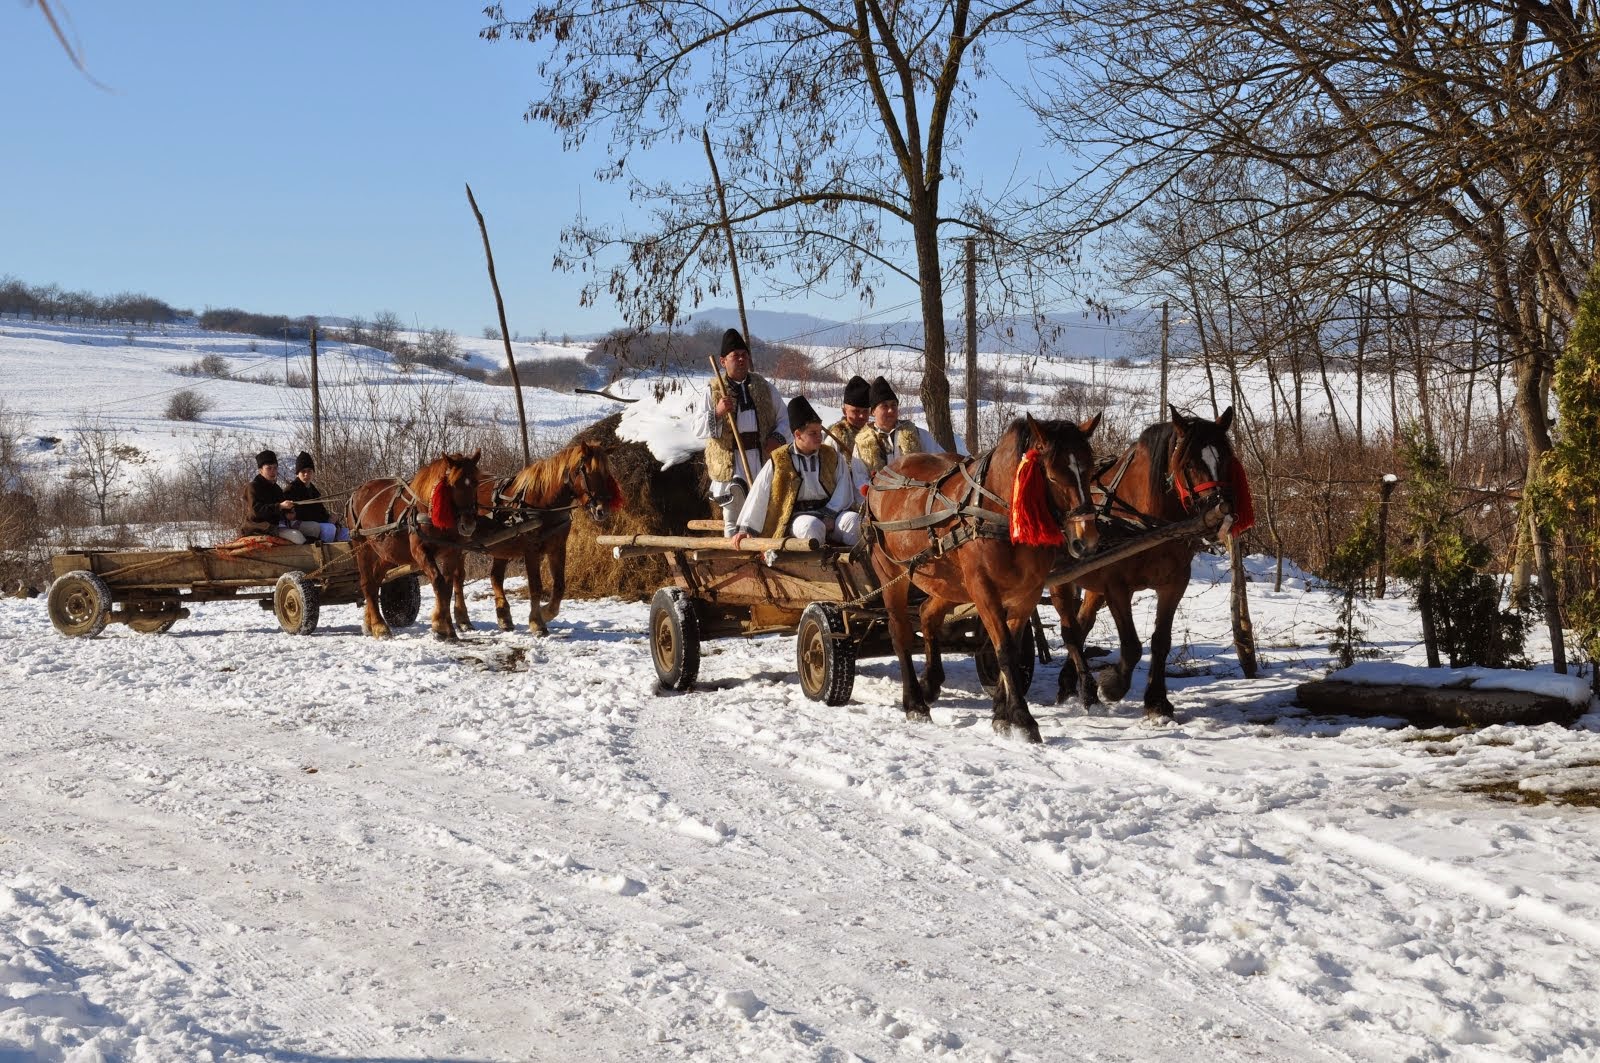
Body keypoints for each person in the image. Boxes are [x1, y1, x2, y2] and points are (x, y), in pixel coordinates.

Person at [731, 396, 866, 548]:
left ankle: (860, 568)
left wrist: (830, 514)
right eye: (813, 433)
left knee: (855, 522)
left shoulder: (832, 456)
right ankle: (821, 569)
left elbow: (844, 488)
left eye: (819, 432)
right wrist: (745, 528)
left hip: (831, 513)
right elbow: (759, 493)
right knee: (812, 527)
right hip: (797, 518)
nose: (819, 437)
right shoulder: (780, 460)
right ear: (797, 435)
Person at [694, 327, 789, 536]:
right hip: (731, 462)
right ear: (722, 361)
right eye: (735, 356)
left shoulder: (764, 387)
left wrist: (776, 438)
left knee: (761, 511)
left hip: (760, 458)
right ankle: (734, 556)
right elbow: (697, 428)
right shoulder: (712, 390)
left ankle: (760, 555)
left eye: (744, 355)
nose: (740, 360)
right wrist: (717, 413)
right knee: (733, 516)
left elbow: (785, 419)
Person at [854, 376, 943, 474]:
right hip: (877, 488)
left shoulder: (917, 434)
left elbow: (941, 460)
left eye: (893, 405)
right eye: (885, 406)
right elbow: (859, 478)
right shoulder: (862, 442)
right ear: (873, 411)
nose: (891, 410)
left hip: (914, 488)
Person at [284, 451, 350, 543]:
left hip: (318, 521)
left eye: (309, 471)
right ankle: (326, 555)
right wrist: (327, 521)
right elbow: (300, 514)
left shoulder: (313, 490)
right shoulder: (291, 489)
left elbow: (320, 510)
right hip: (299, 523)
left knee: (348, 533)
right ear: (297, 473)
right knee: (329, 529)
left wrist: (331, 519)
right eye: (303, 471)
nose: (306, 474)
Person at [248, 450, 308, 544]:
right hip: (260, 527)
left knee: (314, 529)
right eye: (269, 468)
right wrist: (280, 506)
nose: (273, 471)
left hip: (279, 524)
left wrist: (289, 512)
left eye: (275, 468)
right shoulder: (253, 487)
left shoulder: (276, 488)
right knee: (297, 536)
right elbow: (256, 511)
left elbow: (282, 510)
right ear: (260, 470)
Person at [827, 374, 871, 458]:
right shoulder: (837, 436)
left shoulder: (873, 434)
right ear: (844, 411)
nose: (862, 416)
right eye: (856, 411)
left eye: (865, 411)